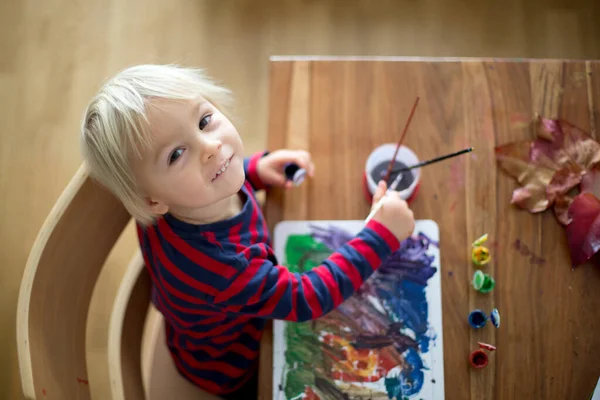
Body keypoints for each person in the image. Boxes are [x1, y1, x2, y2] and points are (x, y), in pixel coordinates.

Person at [80, 64, 415, 399]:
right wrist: (380, 235)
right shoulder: (224, 267)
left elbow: (205, 179)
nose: (210, 146)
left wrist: (253, 169)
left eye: (203, 121)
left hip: (202, 325)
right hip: (229, 366)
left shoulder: (177, 202)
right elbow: (305, 299)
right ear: (152, 201)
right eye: (177, 154)